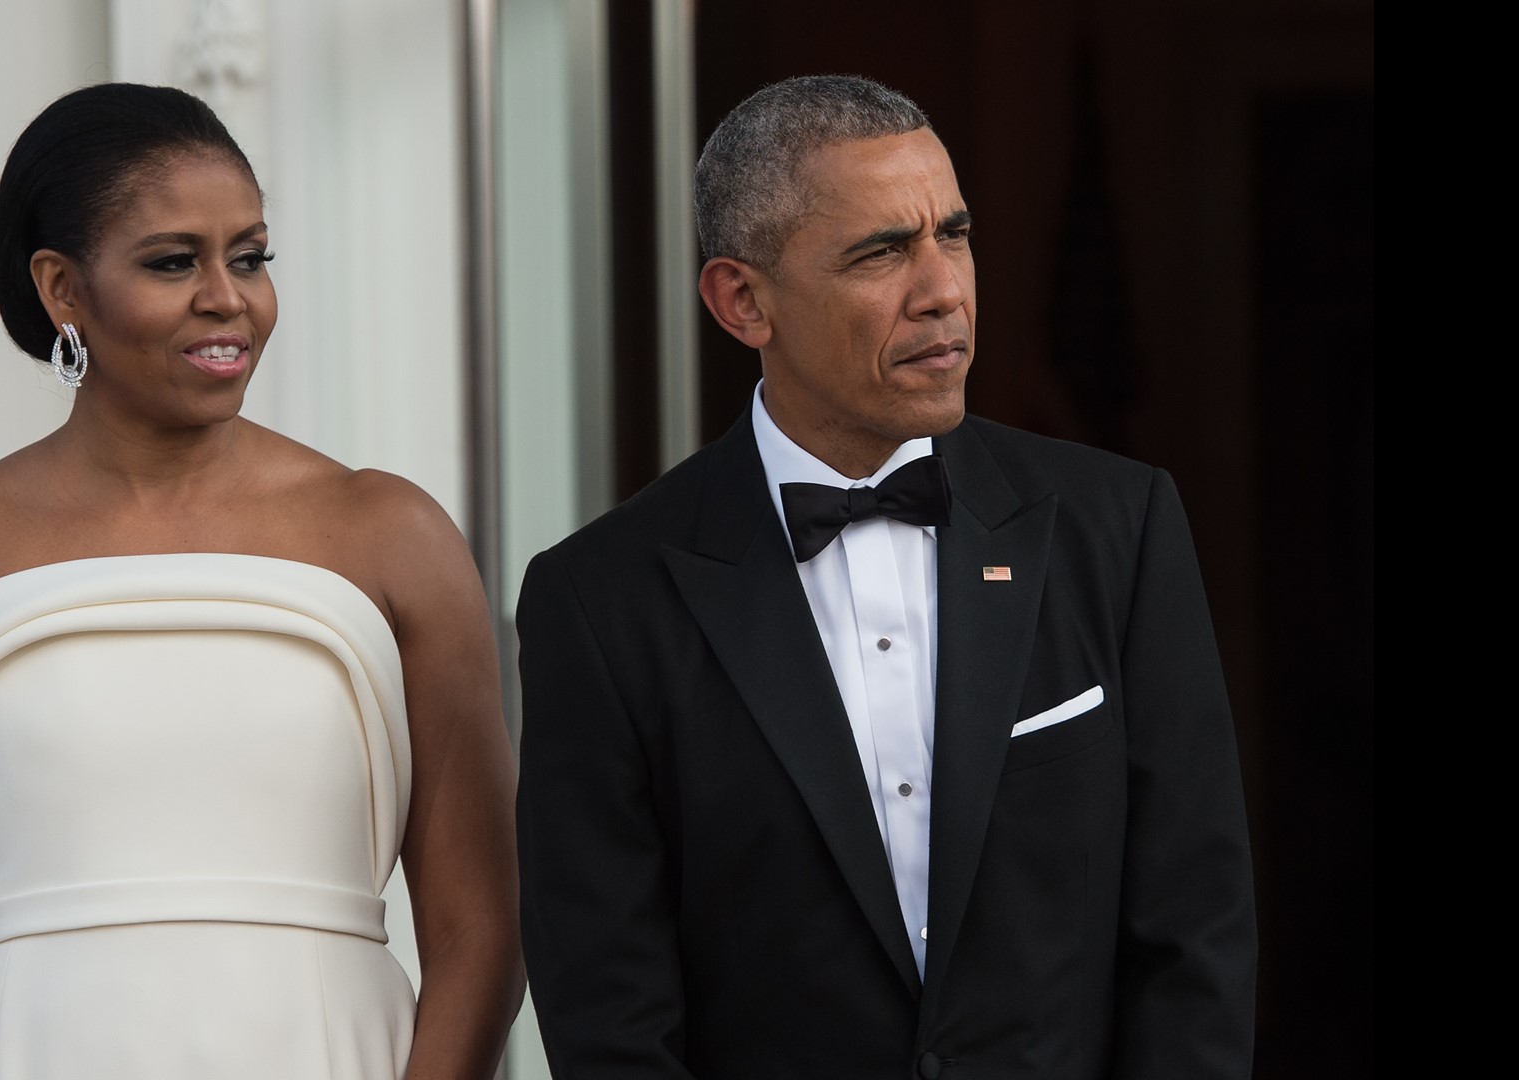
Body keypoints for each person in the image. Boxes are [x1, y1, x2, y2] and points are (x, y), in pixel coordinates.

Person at [514, 74, 1256, 1078]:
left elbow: (1195, 934)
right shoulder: (600, 601)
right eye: (882, 252)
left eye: (952, 234)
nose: (943, 288)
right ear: (743, 302)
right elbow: (608, 1010)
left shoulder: (1117, 528)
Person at [0, 82, 523, 1079]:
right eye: (173, 261)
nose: (228, 296)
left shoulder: (391, 534)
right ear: (63, 289)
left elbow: (481, 931)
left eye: (252, 256)